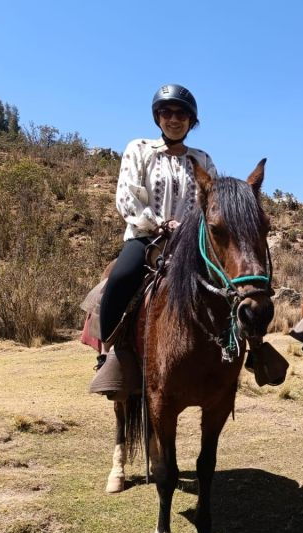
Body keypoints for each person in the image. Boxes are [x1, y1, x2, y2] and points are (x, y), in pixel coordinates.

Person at [94, 84, 217, 372]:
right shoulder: (139, 149)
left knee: (233, 285)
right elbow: (127, 197)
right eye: (166, 112)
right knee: (120, 279)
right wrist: (159, 223)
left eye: (182, 114)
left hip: (190, 242)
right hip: (147, 237)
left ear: (191, 121)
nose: (174, 119)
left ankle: (243, 347)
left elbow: (212, 202)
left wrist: (191, 228)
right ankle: (108, 354)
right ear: (157, 117)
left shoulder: (203, 159)